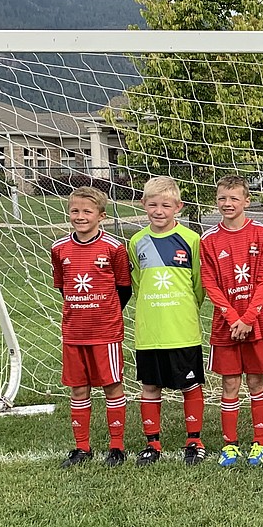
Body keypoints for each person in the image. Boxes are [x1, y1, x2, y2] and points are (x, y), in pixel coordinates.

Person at [128, 176, 206, 466]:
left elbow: (199, 286)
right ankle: (152, 443)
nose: (158, 210)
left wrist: (183, 309)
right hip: (150, 330)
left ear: (178, 207)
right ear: (143, 205)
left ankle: (194, 440)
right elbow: (138, 283)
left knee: (190, 385)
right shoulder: (136, 242)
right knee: (150, 387)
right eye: (152, 205)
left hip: (182, 329)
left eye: (165, 205)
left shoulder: (191, 240)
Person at [51, 187, 132, 467]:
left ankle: (116, 447)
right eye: (75, 210)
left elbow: (123, 288)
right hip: (74, 332)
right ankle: (82, 448)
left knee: (112, 385)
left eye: (87, 211)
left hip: (105, 332)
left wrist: (105, 313)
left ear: (101, 215)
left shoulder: (113, 247)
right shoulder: (59, 249)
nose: (80, 216)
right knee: (78, 390)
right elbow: (63, 287)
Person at [200, 175, 263, 467]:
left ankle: (260, 442)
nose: (227, 203)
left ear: (247, 201)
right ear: (216, 201)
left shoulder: (261, 233)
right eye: (222, 198)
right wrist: (233, 318)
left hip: (256, 321)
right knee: (230, 384)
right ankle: (229, 445)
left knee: (257, 382)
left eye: (234, 198)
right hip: (226, 325)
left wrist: (248, 317)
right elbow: (210, 282)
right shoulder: (209, 239)